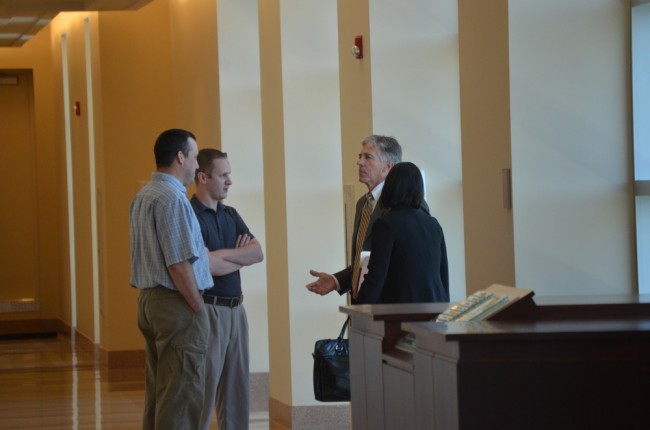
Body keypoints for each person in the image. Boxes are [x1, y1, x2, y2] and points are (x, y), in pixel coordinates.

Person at [129, 129, 212, 430]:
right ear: (180, 157)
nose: (196, 165)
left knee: (160, 393)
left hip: (150, 302)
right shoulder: (172, 198)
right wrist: (197, 306)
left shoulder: (144, 195)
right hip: (177, 305)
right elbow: (178, 263)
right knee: (181, 396)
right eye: (194, 157)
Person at [190, 148, 264, 430]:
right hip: (208, 310)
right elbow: (204, 266)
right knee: (204, 390)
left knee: (237, 391)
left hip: (236, 311)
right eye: (223, 175)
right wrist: (237, 255)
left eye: (229, 174)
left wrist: (223, 257)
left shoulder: (231, 214)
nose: (230, 181)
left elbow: (257, 254)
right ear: (203, 177)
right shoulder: (191, 215)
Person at [306, 135, 404, 303]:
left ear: (387, 167)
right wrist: (336, 281)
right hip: (361, 306)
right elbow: (365, 261)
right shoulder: (363, 203)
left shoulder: (400, 205)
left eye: (368, 157)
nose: (359, 162)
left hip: (387, 306)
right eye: (360, 157)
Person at [355, 162, 449, 304]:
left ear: (390, 188)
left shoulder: (386, 224)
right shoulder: (434, 224)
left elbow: (376, 276)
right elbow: (443, 275)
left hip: (401, 310)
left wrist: (358, 309)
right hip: (434, 309)